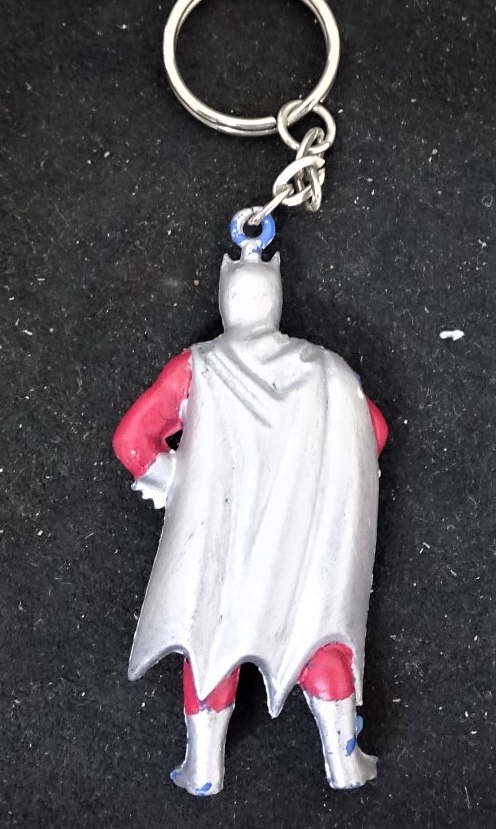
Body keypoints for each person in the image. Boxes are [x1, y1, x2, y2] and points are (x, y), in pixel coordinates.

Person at [113, 242, 388, 796]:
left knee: (210, 639)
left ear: (226, 295)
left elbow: (132, 441)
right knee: (316, 632)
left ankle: (203, 767)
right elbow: (373, 433)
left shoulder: (198, 367)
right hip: (302, 541)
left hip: (221, 539)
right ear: (276, 297)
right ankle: (344, 762)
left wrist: (179, 482)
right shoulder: (328, 371)